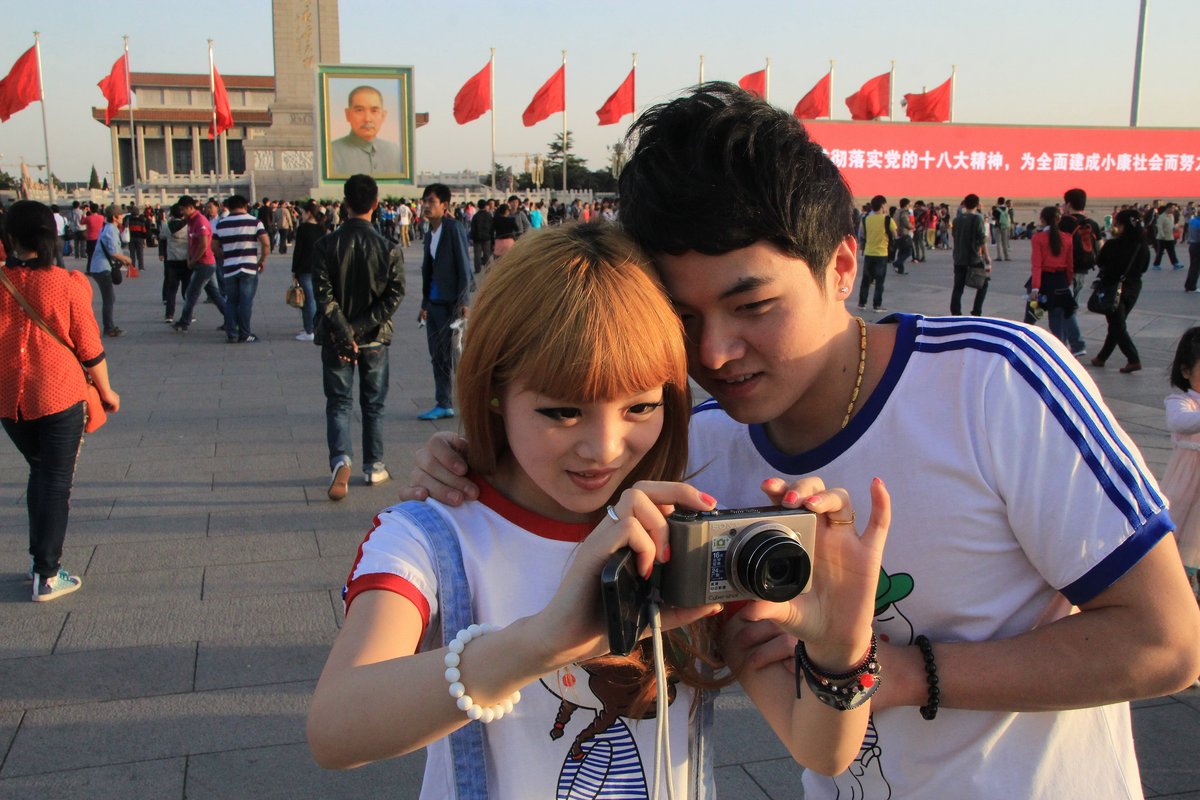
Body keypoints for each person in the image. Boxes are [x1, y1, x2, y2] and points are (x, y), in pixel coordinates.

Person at [405, 82, 1200, 799]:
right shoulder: (702, 450)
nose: (714, 353)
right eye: (684, 320)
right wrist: (477, 461)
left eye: (753, 305)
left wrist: (891, 673)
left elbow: (1166, 641)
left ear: (843, 265)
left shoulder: (994, 384)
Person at [307, 221, 890, 796]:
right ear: (493, 391)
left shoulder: (684, 534)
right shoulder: (433, 535)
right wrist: (543, 643)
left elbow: (821, 752)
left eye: (640, 406)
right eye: (562, 412)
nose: (605, 448)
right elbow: (335, 729)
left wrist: (839, 651)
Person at [0, 200, 121, 601]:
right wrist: (107, 392)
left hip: (9, 401)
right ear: (50, 236)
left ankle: (40, 561)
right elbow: (90, 348)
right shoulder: (66, 283)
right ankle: (47, 574)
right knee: (55, 480)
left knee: (39, 470)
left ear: (11, 237)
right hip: (58, 394)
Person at [311, 175, 406, 500]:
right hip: (375, 339)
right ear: (376, 203)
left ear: (345, 203)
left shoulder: (325, 246)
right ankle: (375, 465)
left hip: (337, 340)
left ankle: (341, 460)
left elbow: (324, 298)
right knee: (373, 405)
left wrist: (345, 331)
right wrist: (362, 328)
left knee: (338, 403)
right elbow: (395, 295)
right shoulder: (389, 248)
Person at [417, 183, 471, 421]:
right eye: (424, 201)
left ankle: (469, 401)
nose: (426, 206)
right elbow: (428, 271)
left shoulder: (453, 228)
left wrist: (464, 301)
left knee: (456, 355)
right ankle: (444, 403)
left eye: (431, 201)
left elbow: (464, 267)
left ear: (444, 205)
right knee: (437, 354)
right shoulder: (430, 232)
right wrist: (424, 303)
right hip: (434, 303)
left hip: (452, 303)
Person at [1161, 327, 1200, 600]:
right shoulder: (1181, 401)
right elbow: (1179, 422)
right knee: (1183, 545)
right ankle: (1180, 597)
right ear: (1186, 371)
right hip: (1189, 488)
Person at [1089, 209, 1150, 374]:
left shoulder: (1114, 244)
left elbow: (1100, 261)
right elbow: (1144, 266)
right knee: (1117, 323)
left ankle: (1133, 358)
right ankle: (1102, 357)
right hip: (1134, 287)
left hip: (1113, 287)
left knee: (1117, 324)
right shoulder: (1141, 245)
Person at [212, 195, 269, 343]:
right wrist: (262, 260)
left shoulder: (221, 224)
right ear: (245, 205)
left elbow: (214, 246)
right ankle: (244, 333)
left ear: (229, 207)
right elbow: (266, 243)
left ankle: (232, 334)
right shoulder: (255, 222)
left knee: (231, 301)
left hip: (230, 267)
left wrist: (224, 257)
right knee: (245, 302)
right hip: (249, 267)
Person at [173, 197, 229, 333]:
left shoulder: (200, 221)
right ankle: (231, 320)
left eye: (183, 209)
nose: (181, 212)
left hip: (205, 263)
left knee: (191, 293)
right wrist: (189, 258)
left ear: (190, 208)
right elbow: (191, 243)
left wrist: (193, 260)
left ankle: (184, 322)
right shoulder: (191, 221)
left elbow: (204, 244)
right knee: (215, 295)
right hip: (202, 263)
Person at [1058, 189, 1099, 357]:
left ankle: (1077, 344)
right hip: (1083, 270)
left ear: (1068, 203)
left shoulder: (1065, 222)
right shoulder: (1092, 223)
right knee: (1071, 306)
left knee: (1065, 308)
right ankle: (1065, 343)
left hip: (1066, 271)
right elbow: (1099, 247)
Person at [1029, 206, 1077, 348]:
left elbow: (1036, 265)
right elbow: (1070, 266)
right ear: (1059, 219)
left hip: (1046, 281)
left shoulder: (1038, 238)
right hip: (1061, 280)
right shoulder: (1067, 239)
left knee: (1050, 318)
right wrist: (1067, 282)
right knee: (1062, 316)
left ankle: (1058, 349)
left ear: (1042, 220)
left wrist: (1035, 287)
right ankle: (1069, 346)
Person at [330, 85, 403, 177]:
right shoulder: (332, 152)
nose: (367, 119)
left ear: (383, 116)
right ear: (347, 114)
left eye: (374, 111)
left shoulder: (394, 151)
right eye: (359, 110)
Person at [86, 205, 132, 338]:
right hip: (102, 268)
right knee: (109, 299)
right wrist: (126, 258)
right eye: (120, 215)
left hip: (100, 267)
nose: (122, 217)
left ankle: (109, 325)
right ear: (114, 217)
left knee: (110, 298)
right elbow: (113, 253)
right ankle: (109, 328)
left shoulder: (108, 228)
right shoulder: (111, 230)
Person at [291, 201, 325, 342]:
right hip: (320, 267)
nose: (301, 215)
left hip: (305, 268)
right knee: (316, 299)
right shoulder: (321, 228)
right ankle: (314, 327)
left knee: (308, 300)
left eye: (303, 213)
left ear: (309, 213)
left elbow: (298, 251)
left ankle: (310, 330)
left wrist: (294, 270)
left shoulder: (303, 229)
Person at [950, 193, 989, 316]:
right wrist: (987, 256)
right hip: (973, 258)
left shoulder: (957, 220)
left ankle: (956, 313)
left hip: (959, 257)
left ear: (964, 204)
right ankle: (976, 311)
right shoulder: (977, 218)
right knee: (983, 284)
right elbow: (982, 239)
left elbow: (954, 235)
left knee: (958, 288)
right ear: (977, 205)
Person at [858, 195, 892, 312]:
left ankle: (862, 303)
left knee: (866, 280)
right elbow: (895, 234)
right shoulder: (887, 219)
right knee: (879, 281)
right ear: (883, 205)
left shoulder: (866, 218)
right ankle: (877, 305)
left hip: (869, 252)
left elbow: (862, 234)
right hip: (881, 254)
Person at [158, 204, 190, 324]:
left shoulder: (167, 226)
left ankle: (169, 314)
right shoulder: (188, 226)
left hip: (171, 260)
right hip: (185, 260)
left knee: (172, 290)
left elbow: (161, 238)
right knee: (186, 289)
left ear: (172, 214)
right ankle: (188, 314)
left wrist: (161, 253)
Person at [1151, 202, 1184, 271]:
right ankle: (1156, 265)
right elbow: (1159, 227)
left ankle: (1175, 264)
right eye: (1172, 208)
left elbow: (1171, 225)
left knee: (1171, 251)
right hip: (1162, 238)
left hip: (1170, 237)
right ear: (1168, 208)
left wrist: (1175, 228)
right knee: (1160, 252)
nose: (1173, 210)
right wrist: (1162, 235)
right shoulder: (1161, 217)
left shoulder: (1171, 216)